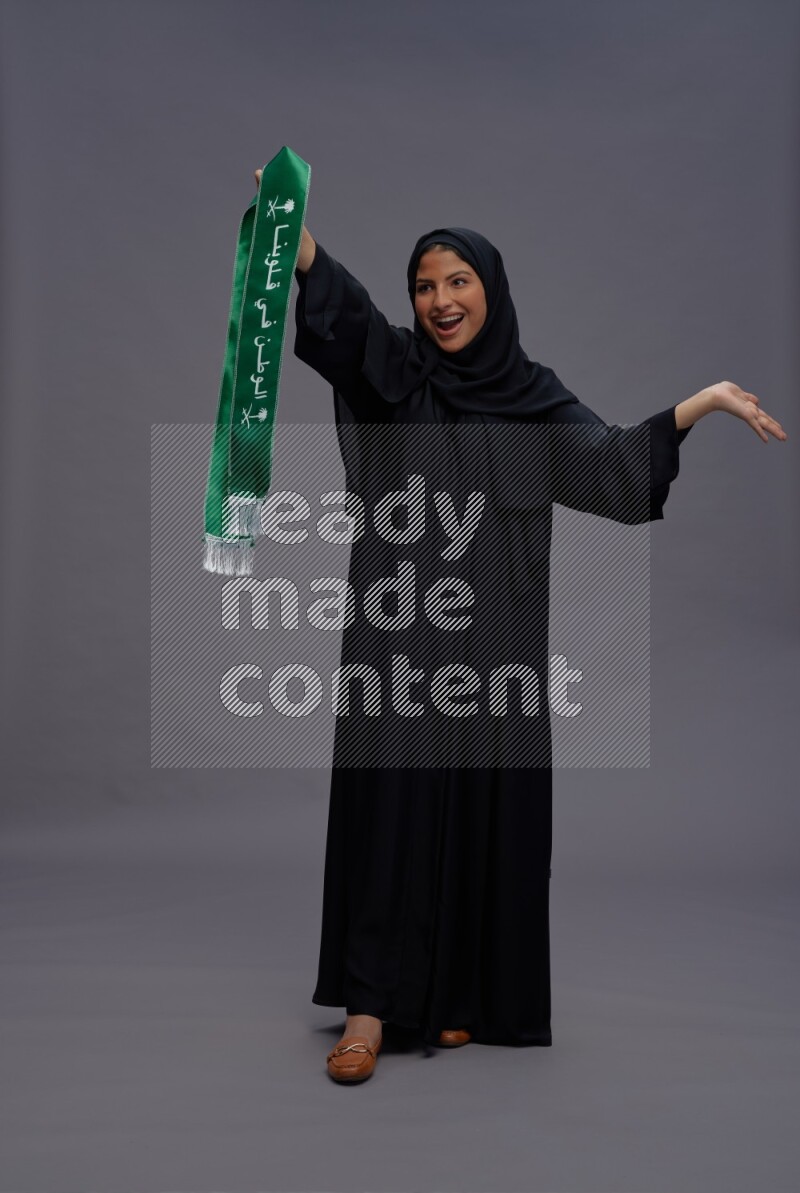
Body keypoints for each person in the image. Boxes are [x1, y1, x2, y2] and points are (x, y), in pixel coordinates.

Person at [255, 170, 787, 1085]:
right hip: (402, 637)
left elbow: (614, 468)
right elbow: (344, 332)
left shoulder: (532, 397)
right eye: (425, 285)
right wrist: (296, 241)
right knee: (395, 809)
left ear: (490, 292)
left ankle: (457, 996)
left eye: (457, 281)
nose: (439, 300)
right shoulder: (400, 379)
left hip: (495, 645)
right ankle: (371, 1009)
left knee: (487, 808)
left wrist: (695, 406)